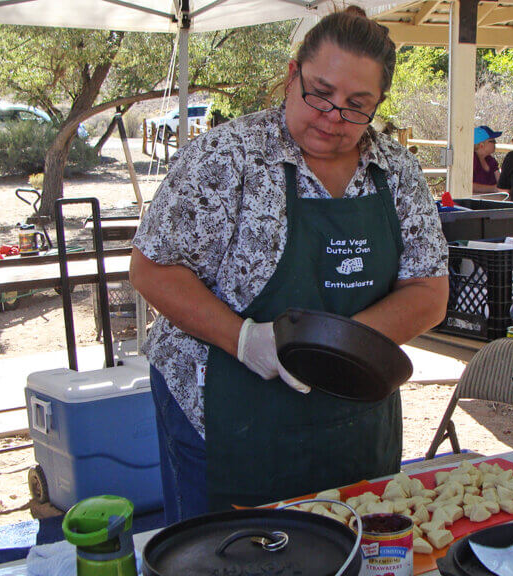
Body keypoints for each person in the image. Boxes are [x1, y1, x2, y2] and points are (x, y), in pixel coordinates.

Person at [128, 6, 449, 523]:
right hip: (229, 415)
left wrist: (333, 350)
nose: (332, 116)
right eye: (320, 93)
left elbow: (428, 292)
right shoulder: (227, 157)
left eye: (356, 104)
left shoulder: (398, 170)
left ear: (378, 105)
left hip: (354, 414)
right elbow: (152, 270)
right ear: (292, 74)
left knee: (353, 542)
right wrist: (244, 339)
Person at [473, 125, 502, 194]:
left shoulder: (490, 160)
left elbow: (501, 183)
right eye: (492, 141)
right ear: (481, 145)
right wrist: (493, 189)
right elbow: (466, 185)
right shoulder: (471, 159)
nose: (495, 143)